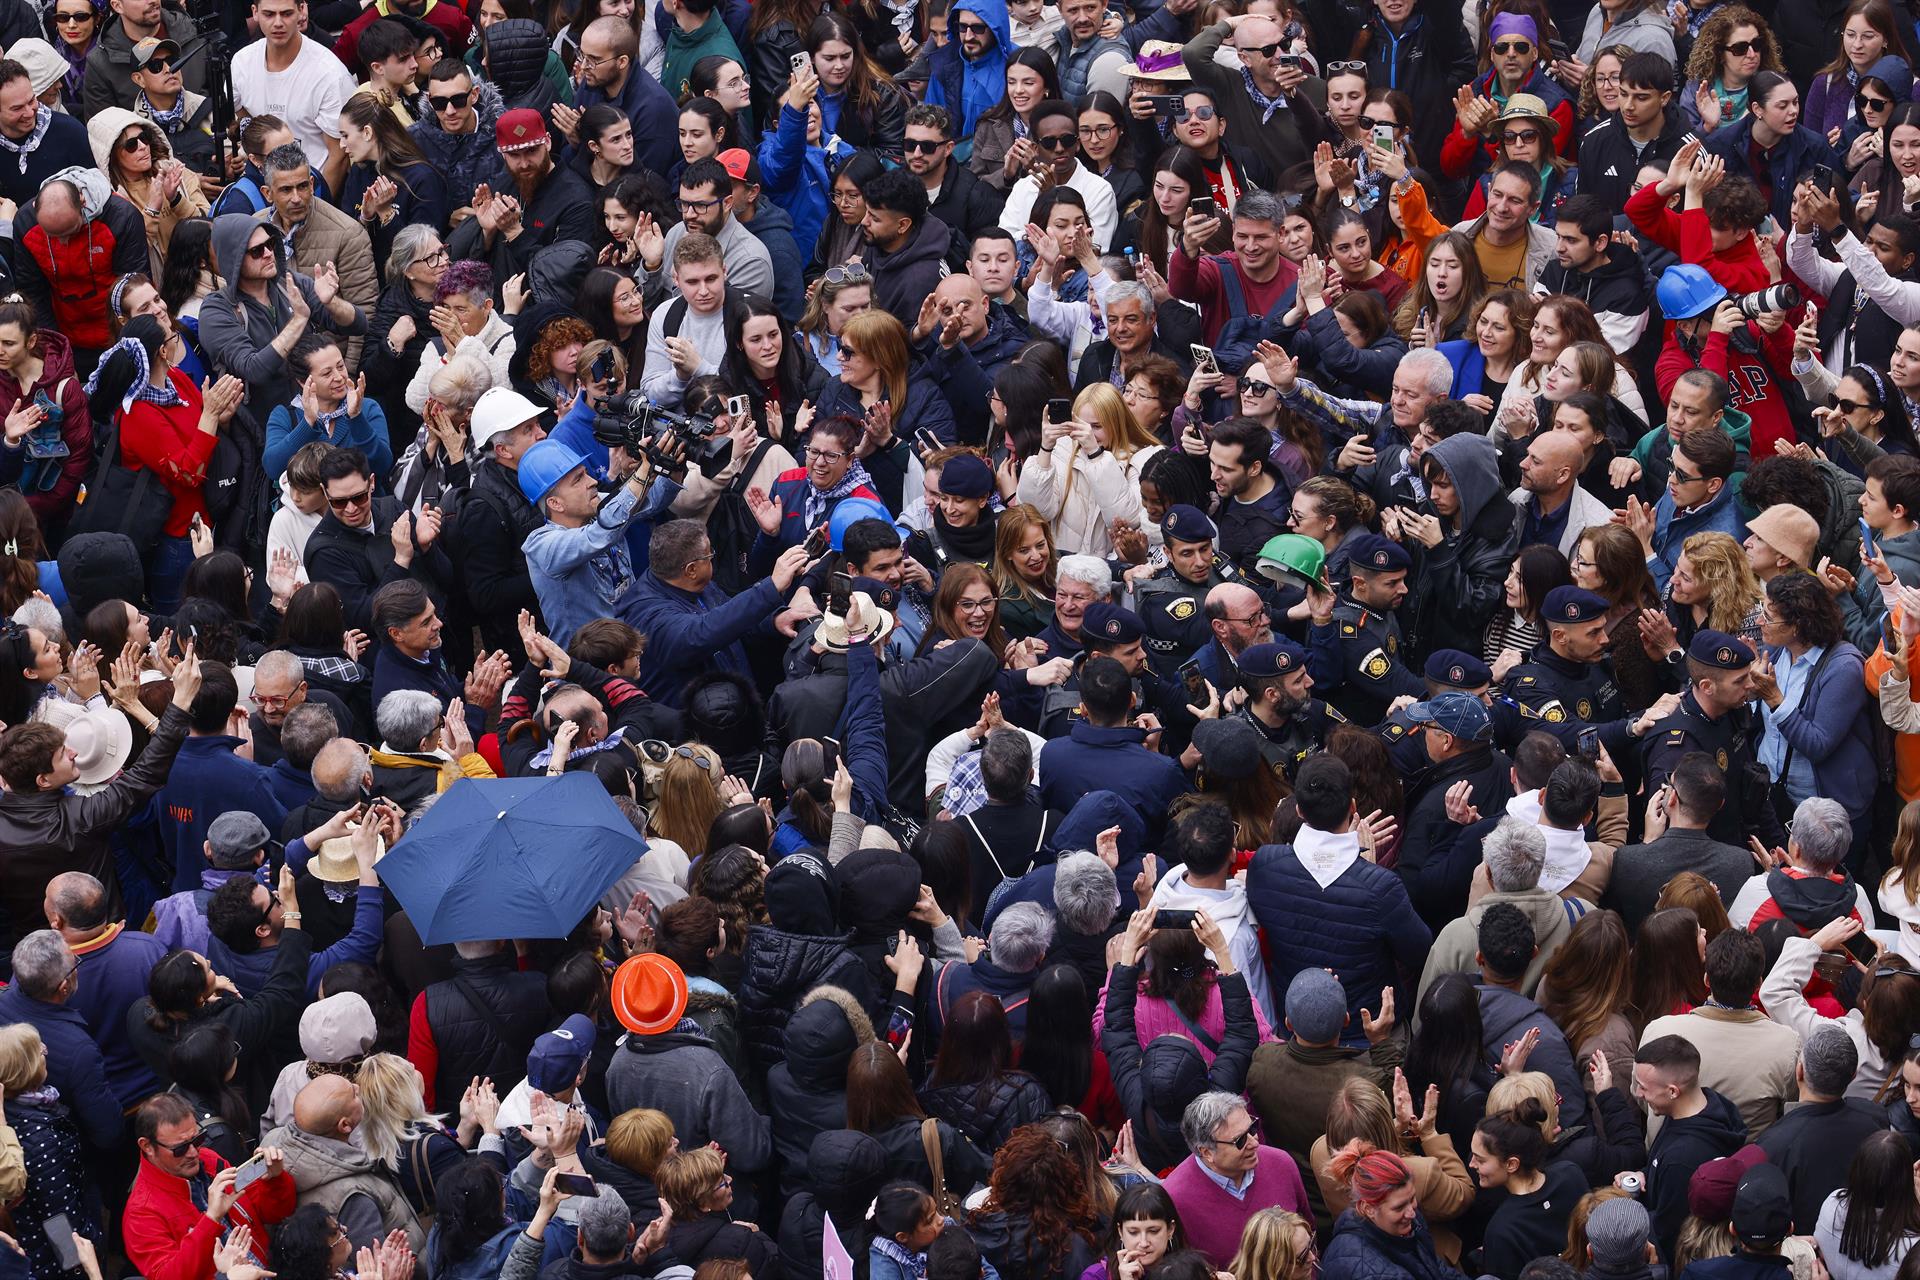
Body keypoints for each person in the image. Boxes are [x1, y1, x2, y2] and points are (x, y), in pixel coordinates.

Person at [125, 1091, 297, 1280]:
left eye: (198, 1139)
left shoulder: (210, 1161)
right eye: (180, 1148)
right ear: (147, 1146)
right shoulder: (141, 1212)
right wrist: (211, 1219)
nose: (193, 1153)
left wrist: (274, 1179)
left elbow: (276, 1213)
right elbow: (168, 1276)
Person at [1603, 752, 1753, 934]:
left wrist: (1647, 846)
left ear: (1673, 797)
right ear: (1720, 804)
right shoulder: (1740, 864)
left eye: (1669, 782)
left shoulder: (1628, 860)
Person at [1756, 1025, 1887, 1233]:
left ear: (1799, 1071)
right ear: (1853, 1076)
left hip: (1805, 1252)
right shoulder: (1875, 1119)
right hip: (1868, 1241)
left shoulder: (1774, 1144)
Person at [1631, 1033, 1750, 1261]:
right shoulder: (1708, 1104)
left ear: (1673, 1091)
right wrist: (1644, 1174)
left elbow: (1668, 1233)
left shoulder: (1682, 1160)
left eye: (1644, 1087)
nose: (1638, 1093)